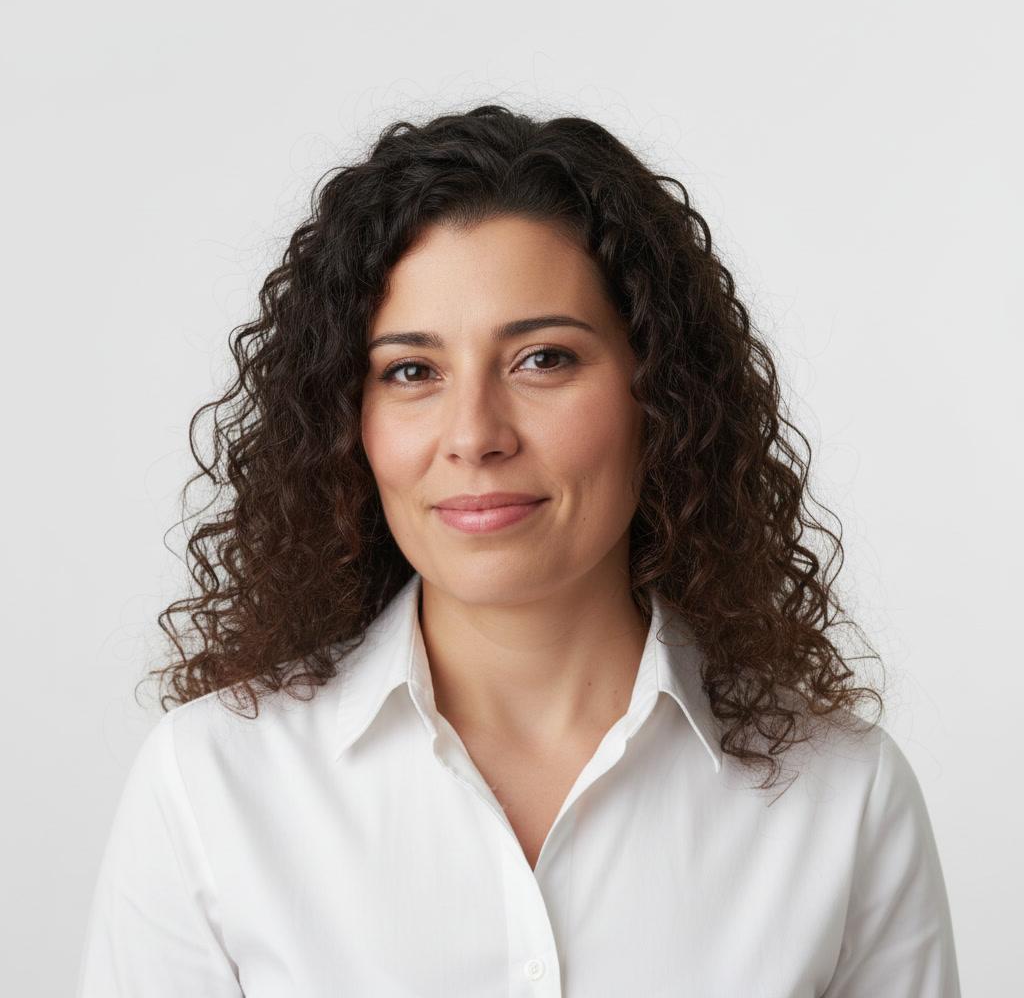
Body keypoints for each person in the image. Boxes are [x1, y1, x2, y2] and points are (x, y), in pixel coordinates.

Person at [75, 105, 961, 996]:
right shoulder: (211, 786)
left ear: (663, 392)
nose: (475, 435)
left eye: (543, 359)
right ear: (349, 421)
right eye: (411, 371)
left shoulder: (843, 798)